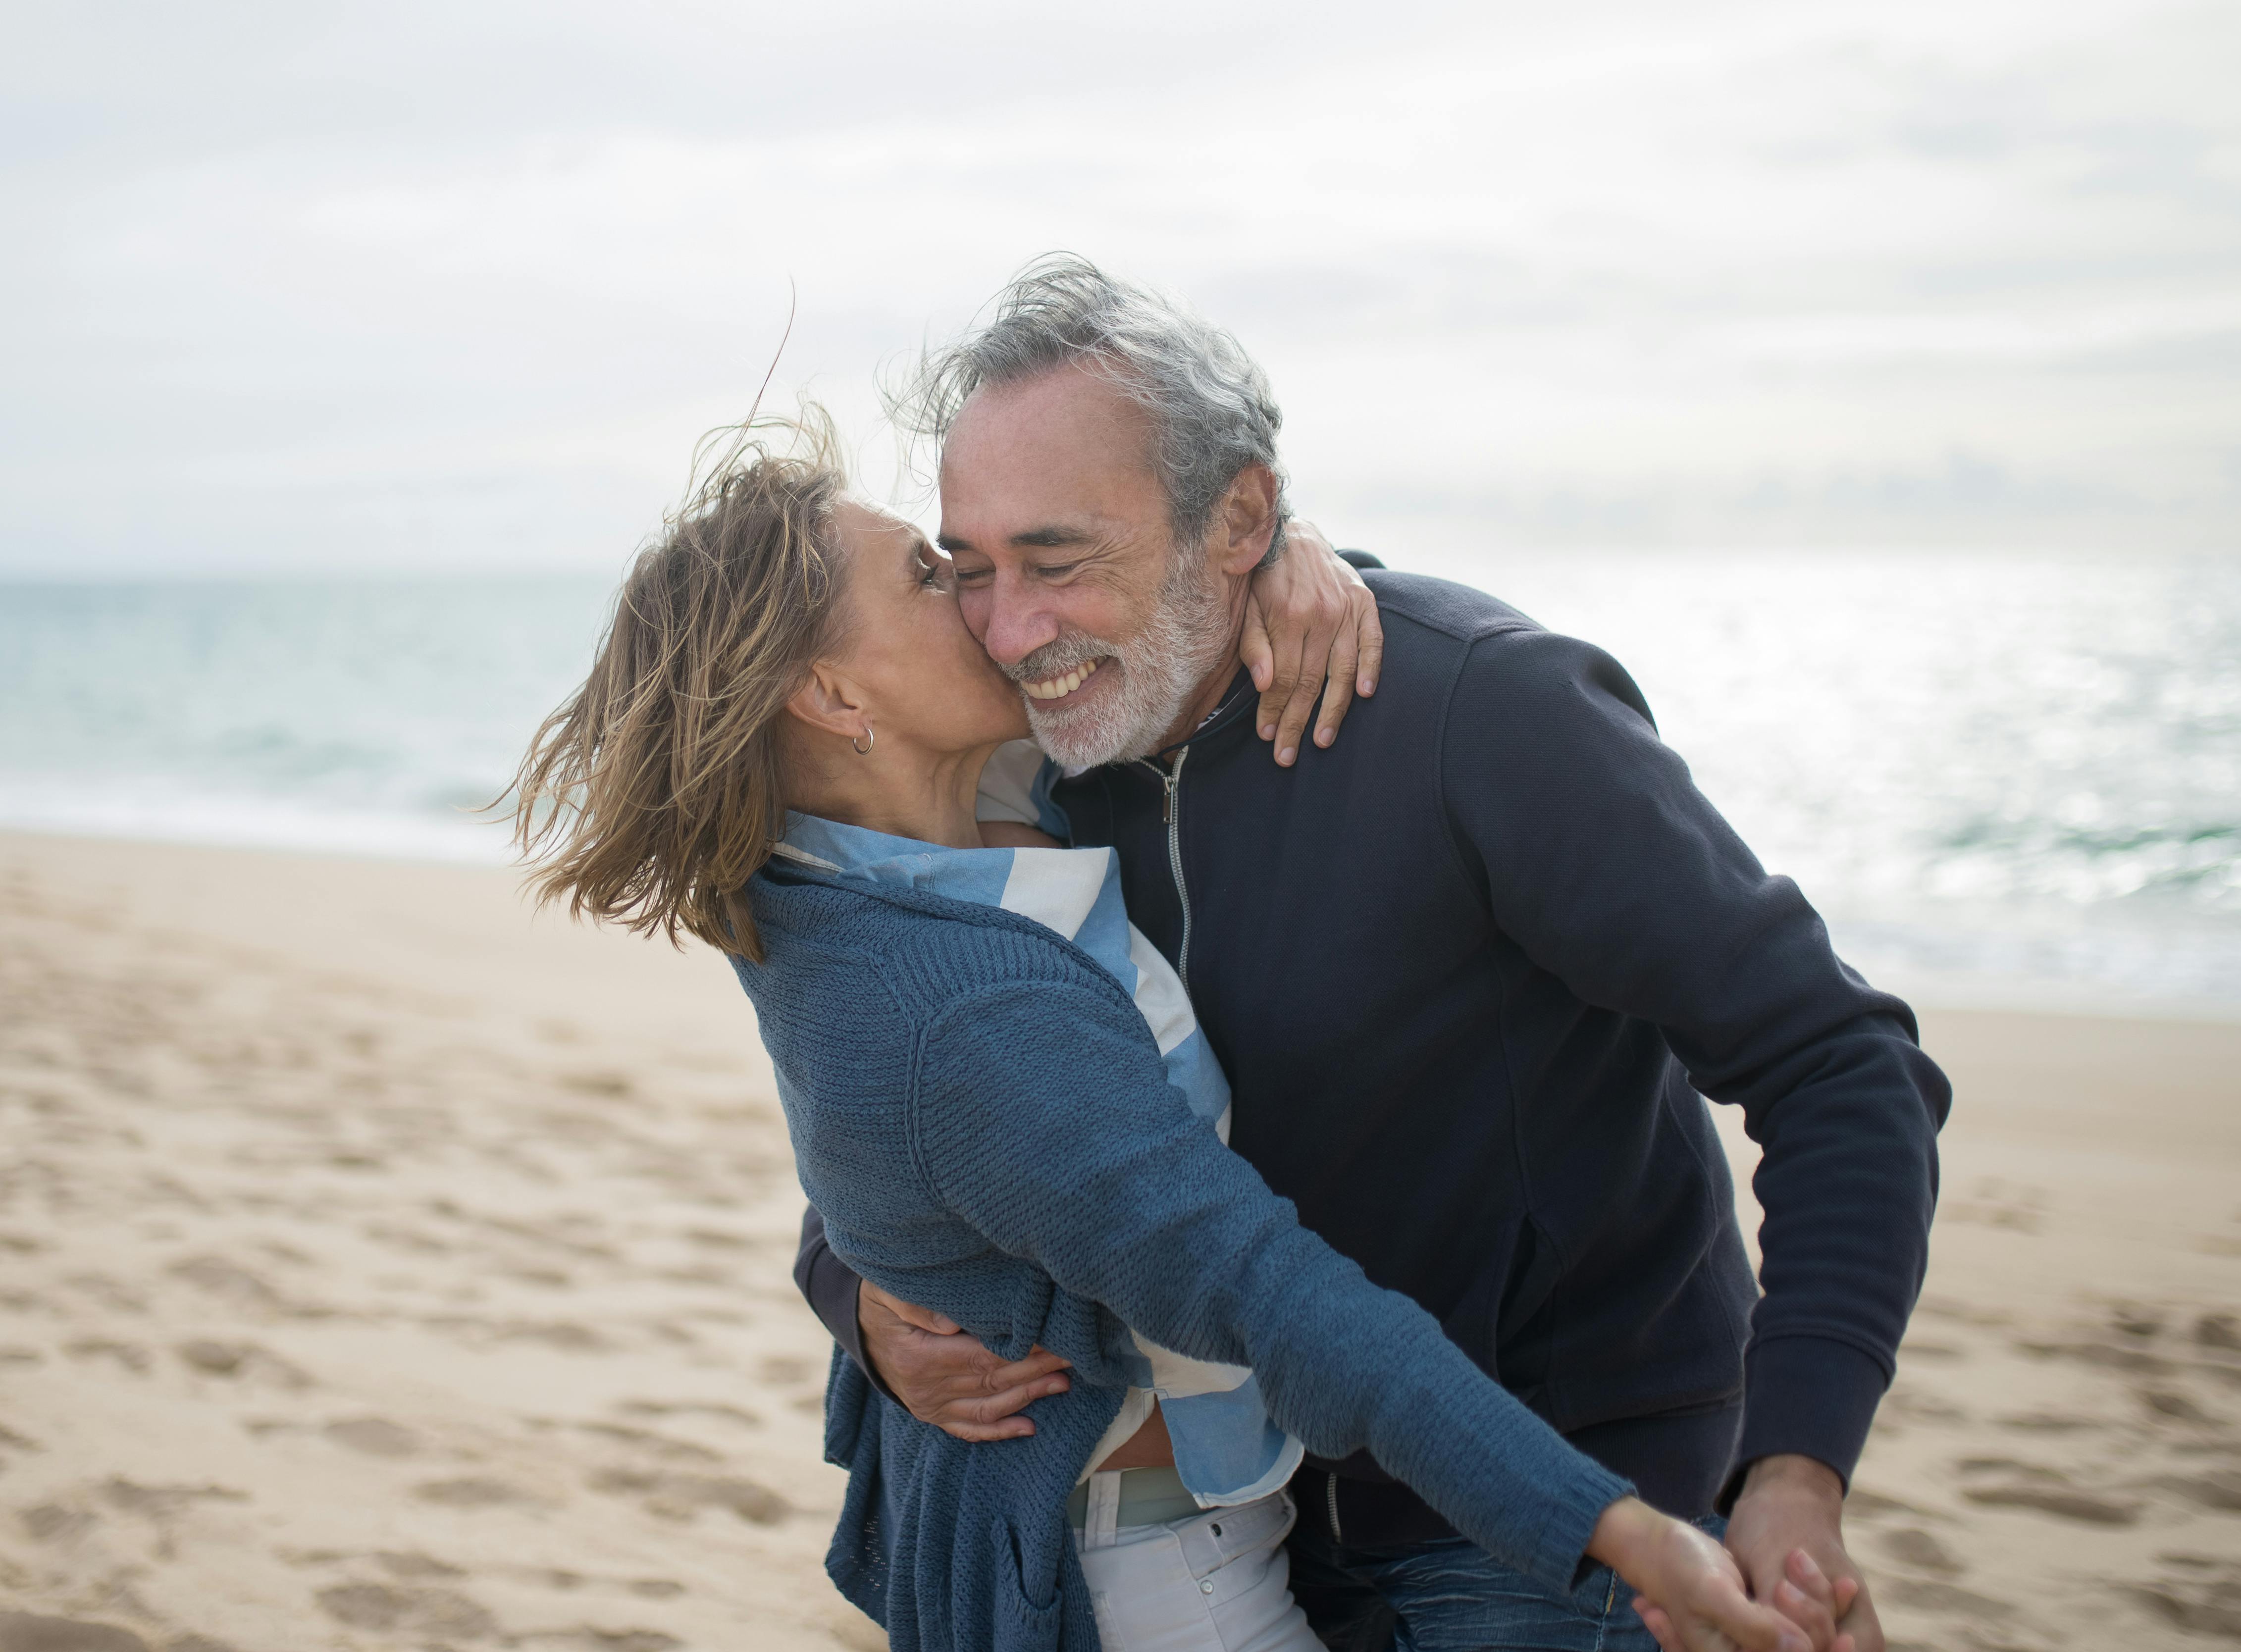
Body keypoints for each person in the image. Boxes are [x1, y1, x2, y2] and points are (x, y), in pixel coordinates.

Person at [508, 408, 1842, 1652]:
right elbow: (1258, 1287)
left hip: (1295, 1493)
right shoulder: (960, 1009)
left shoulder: (931, 826)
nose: (995, 612)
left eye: (990, 559)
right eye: (936, 574)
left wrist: (1278, 556)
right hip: (1170, 1572)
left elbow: (1155, 639)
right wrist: (1621, 1537)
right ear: (837, 703)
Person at [792, 257, 1951, 1652]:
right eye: (970, 571)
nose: (1012, 629)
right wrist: (857, 1296)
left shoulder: (1484, 717)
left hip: (1563, 1513)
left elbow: (1842, 1066)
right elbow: (944, 1102)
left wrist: (1797, 1468)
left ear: (1240, 518)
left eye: (1059, 561)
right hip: (1246, 1527)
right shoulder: (1026, 780)